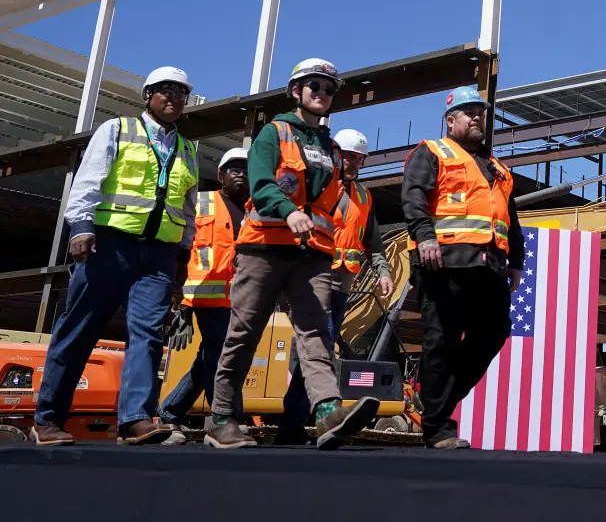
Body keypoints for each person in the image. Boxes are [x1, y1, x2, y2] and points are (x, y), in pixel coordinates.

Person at [208, 59, 379, 450]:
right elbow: (263, 184)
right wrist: (289, 212)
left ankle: (327, 412)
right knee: (244, 333)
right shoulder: (274, 133)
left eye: (329, 88)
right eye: (313, 85)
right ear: (295, 91)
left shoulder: (332, 150)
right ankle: (220, 418)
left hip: (313, 256)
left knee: (315, 335)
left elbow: (332, 205)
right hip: (264, 249)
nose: (321, 93)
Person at [30, 67, 200, 447]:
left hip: (158, 255)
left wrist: (184, 251)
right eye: (165, 91)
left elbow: (187, 207)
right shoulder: (118, 129)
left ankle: (136, 420)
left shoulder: (188, 149)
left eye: (180, 93)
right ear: (147, 96)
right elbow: (90, 178)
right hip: (109, 245)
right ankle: (47, 420)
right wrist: (81, 228)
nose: (173, 97)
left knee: (148, 335)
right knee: (79, 330)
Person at [401, 86, 526, 450]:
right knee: (441, 339)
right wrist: (425, 237)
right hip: (442, 263)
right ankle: (438, 427)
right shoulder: (432, 152)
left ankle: (435, 403)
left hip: (489, 268)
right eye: (469, 112)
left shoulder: (498, 168)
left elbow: (511, 221)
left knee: (495, 333)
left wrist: (516, 262)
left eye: (481, 113)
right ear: (450, 120)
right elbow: (413, 197)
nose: (477, 117)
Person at [278, 128, 395, 444]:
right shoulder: (318, 186)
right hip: (312, 276)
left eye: (360, 158)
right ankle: (324, 417)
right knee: (319, 346)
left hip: (343, 284)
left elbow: (373, 244)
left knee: (316, 349)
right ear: (335, 155)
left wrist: (383, 272)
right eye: (349, 156)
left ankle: (292, 425)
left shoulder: (364, 197)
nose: (355, 163)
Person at [159, 148, 248, 444]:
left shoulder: (255, 211)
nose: (241, 174)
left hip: (238, 301)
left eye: (246, 169)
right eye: (233, 169)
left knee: (209, 358)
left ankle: (170, 412)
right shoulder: (203, 203)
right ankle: (226, 417)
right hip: (203, 298)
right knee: (222, 356)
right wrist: (181, 301)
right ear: (221, 175)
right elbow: (185, 252)